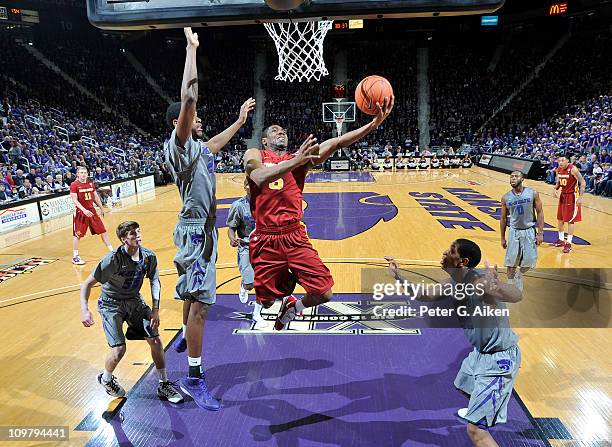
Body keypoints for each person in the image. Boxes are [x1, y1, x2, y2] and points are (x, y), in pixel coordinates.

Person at [243, 96, 393, 331]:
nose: (281, 132)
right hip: (265, 238)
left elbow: (336, 142)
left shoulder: (299, 159)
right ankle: (285, 283)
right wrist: (296, 162)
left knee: (325, 294)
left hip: (293, 236)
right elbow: (260, 178)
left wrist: (373, 125)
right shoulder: (255, 154)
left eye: (283, 130)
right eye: (275, 130)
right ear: (264, 140)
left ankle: (294, 307)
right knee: (266, 300)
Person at [164, 27, 255, 410]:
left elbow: (217, 143)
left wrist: (238, 121)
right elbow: (188, 96)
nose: (198, 118)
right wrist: (191, 49)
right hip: (196, 233)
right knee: (202, 305)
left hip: (204, 231)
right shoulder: (180, 145)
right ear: (180, 123)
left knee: (192, 295)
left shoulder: (200, 148)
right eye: (194, 116)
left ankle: (186, 336)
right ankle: (194, 378)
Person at [386, 239, 522, 447]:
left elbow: (516, 295)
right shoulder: (454, 283)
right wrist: (398, 276)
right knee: (463, 383)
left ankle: (480, 419)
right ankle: (479, 407)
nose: (444, 252)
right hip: (480, 355)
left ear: (462, 261)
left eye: (450, 251)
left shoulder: (479, 283)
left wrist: (497, 286)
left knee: (476, 431)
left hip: (498, 360)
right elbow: (424, 294)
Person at [79, 221, 183, 403]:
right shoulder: (112, 259)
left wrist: (155, 310)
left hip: (134, 301)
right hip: (111, 304)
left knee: (156, 340)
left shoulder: (148, 257)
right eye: (133, 234)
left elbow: (155, 281)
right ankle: (106, 379)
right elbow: (87, 284)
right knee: (119, 350)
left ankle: (164, 384)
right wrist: (85, 310)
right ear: (123, 240)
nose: (138, 235)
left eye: (138, 231)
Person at [226, 177, 267, 329]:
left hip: (264, 247)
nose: (250, 187)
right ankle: (244, 285)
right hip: (246, 246)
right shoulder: (238, 206)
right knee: (251, 284)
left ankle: (257, 313)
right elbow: (231, 227)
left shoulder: (266, 203)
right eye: (247, 184)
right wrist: (232, 239)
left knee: (263, 284)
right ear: (244, 187)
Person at [500, 171, 544, 291]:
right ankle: (509, 284)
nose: (513, 179)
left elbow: (540, 212)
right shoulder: (505, 197)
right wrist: (502, 238)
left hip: (529, 230)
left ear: (522, 179)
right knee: (511, 262)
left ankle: (519, 276)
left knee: (529, 261)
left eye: (516, 176)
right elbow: (503, 218)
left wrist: (540, 233)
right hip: (514, 231)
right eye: (511, 177)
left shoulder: (533, 193)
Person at [70, 166, 113, 265]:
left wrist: (101, 207)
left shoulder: (90, 183)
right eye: (81, 172)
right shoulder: (74, 185)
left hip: (92, 211)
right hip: (80, 212)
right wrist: (84, 210)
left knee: (103, 231)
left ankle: (112, 251)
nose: (83, 174)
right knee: (78, 234)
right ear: (77, 174)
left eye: (85, 172)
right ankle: (75, 257)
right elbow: (75, 200)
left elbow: (95, 196)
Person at [551, 154, 586, 253]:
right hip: (563, 195)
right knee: (560, 219)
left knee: (570, 220)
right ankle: (561, 240)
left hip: (572, 196)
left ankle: (569, 244)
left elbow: (583, 182)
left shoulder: (573, 169)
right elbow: (559, 183)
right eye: (559, 160)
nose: (560, 162)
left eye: (563, 160)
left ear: (567, 161)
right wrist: (555, 189)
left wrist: (581, 197)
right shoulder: (559, 169)